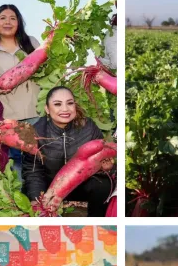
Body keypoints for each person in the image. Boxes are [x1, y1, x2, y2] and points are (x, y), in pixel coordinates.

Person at [22, 86, 113, 217]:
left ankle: (95, 222)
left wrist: (105, 168)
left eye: (70, 103)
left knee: (103, 185)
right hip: (48, 189)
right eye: (57, 104)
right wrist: (37, 200)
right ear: (47, 109)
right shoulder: (35, 132)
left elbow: (98, 159)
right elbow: (33, 171)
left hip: (79, 187)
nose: (65, 109)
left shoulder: (88, 127)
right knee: (29, 193)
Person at [0, 4, 40, 177]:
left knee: (36, 158)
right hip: (8, 114)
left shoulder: (31, 42)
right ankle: (17, 193)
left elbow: (44, 67)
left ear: (19, 22)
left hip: (35, 110)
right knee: (15, 161)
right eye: (3, 18)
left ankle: (37, 193)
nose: (8, 22)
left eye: (13, 18)